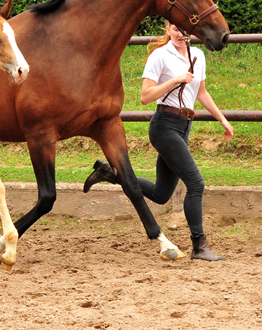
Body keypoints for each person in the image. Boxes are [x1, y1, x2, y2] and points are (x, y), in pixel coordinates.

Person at [84, 20, 233, 261]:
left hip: (185, 125)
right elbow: (145, 96)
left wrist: (222, 119)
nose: (179, 35)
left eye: (183, 31)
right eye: (175, 29)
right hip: (164, 125)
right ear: (167, 29)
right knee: (196, 184)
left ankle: (109, 173)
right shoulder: (160, 56)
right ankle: (199, 246)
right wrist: (174, 80)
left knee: (162, 193)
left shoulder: (197, 56)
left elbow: (201, 92)